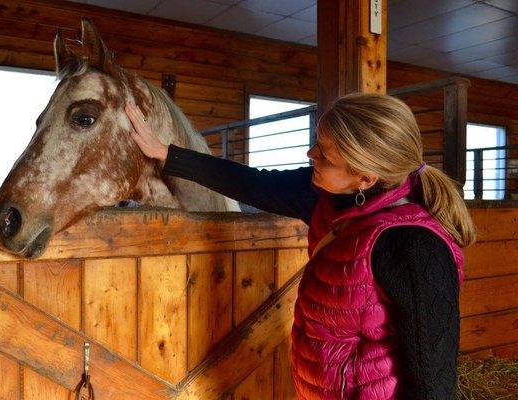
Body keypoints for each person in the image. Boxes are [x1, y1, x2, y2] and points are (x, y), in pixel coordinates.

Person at [125, 93, 476, 400]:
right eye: (316, 143)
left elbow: (433, 379)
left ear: (365, 178)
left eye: (324, 154)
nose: (311, 154)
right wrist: (166, 153)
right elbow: (252, 183)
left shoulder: (415, 246)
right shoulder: (325, 196)